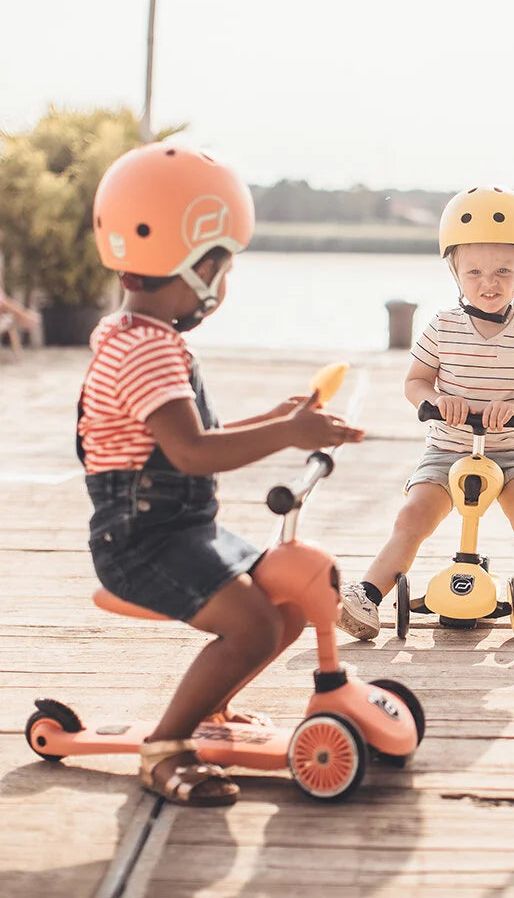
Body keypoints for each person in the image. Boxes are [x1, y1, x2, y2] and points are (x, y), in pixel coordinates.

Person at [78, 143, 364, 805]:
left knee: (283, 605)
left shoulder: (140, 336)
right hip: (142, 541)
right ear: (196, 264)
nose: (224, 284)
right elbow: (191, 455)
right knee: (256, 626)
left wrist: (273, 417)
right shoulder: (145, 350)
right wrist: (287, 434)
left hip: (181, 530)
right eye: (224, 267)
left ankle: (212, 705)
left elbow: (194, 440)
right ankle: (165, 748)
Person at [338, 185, 514, 644]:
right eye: (474, 271)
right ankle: (369, 595)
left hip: (512, 451)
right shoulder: (441, 325)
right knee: (413, 515)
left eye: (502, 270)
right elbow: (415, 382)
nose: (489, 282)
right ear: (455, 272)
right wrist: (438, 402)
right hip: (447, 446)